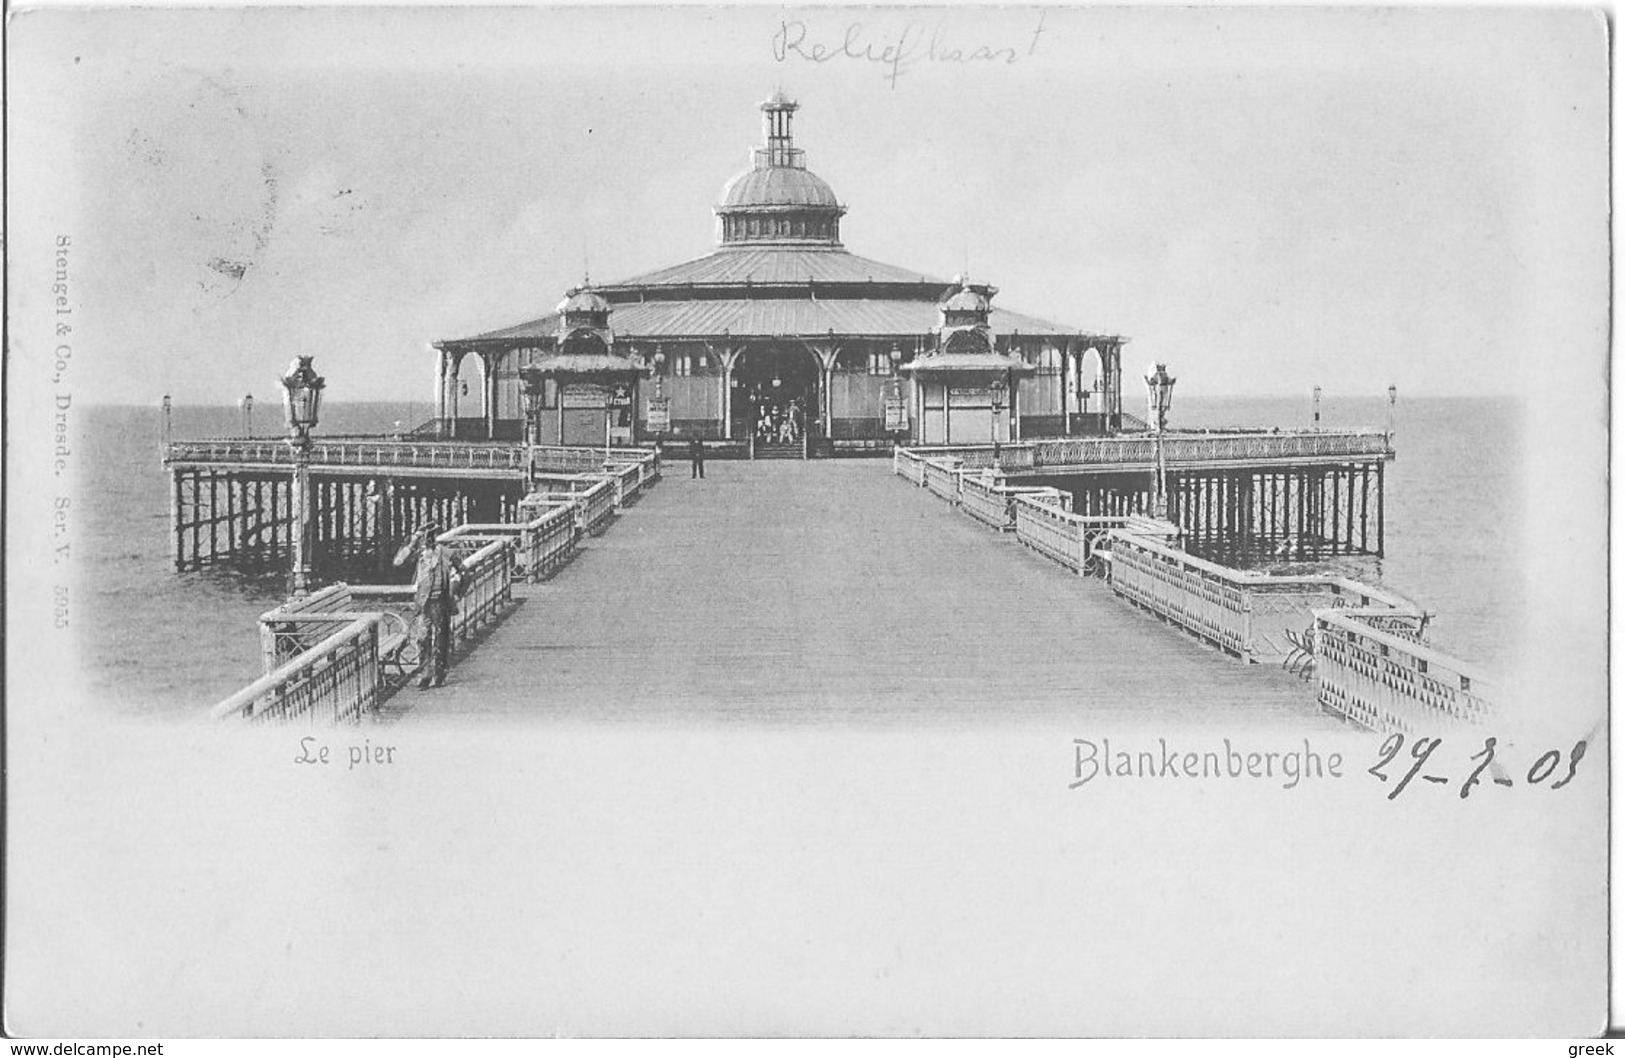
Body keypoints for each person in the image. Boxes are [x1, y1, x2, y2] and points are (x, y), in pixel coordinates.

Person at [392, 524, 465, 689]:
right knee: (422, 638)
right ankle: (425, 673)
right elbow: (398, 562)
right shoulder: (419, 554)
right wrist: (413, 541)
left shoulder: (447, 553)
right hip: (423, 603)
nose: (428, 540)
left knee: (441, 639)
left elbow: (464, 572)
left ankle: (440, 672)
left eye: (430, 536)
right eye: (425, 537)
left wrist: (456, 593)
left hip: (441, 601)